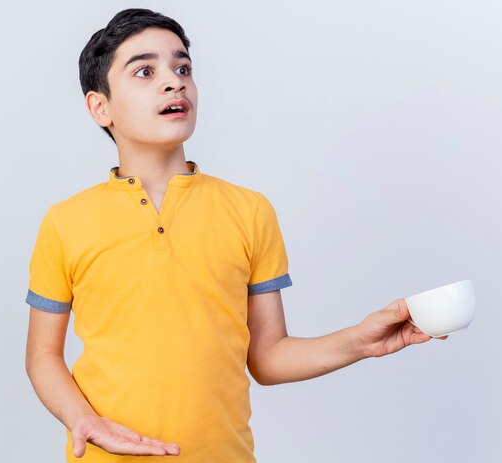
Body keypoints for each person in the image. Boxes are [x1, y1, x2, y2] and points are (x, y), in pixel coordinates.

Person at [24, 8, 447, 462]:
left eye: (182, 67)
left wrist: (360, 341)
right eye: (145, 71)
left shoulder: (250, 211)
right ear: (99, 107)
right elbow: (42, 355)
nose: (174, 81)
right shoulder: (65, 221)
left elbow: (267, 356)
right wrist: (81, 419)